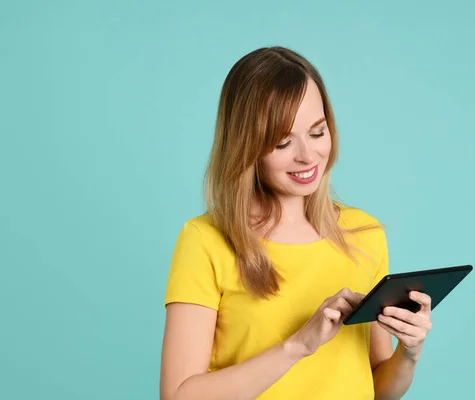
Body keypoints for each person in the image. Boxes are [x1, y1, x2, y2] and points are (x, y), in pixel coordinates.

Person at [159, 46, 433, 400]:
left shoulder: (364, 235)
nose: (307, 155)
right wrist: (299, 345)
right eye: (282, 142)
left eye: (317, 133)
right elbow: (178, 395)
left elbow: (377, 389)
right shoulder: (206, 240)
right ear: (246, 147)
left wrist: (409, 353)